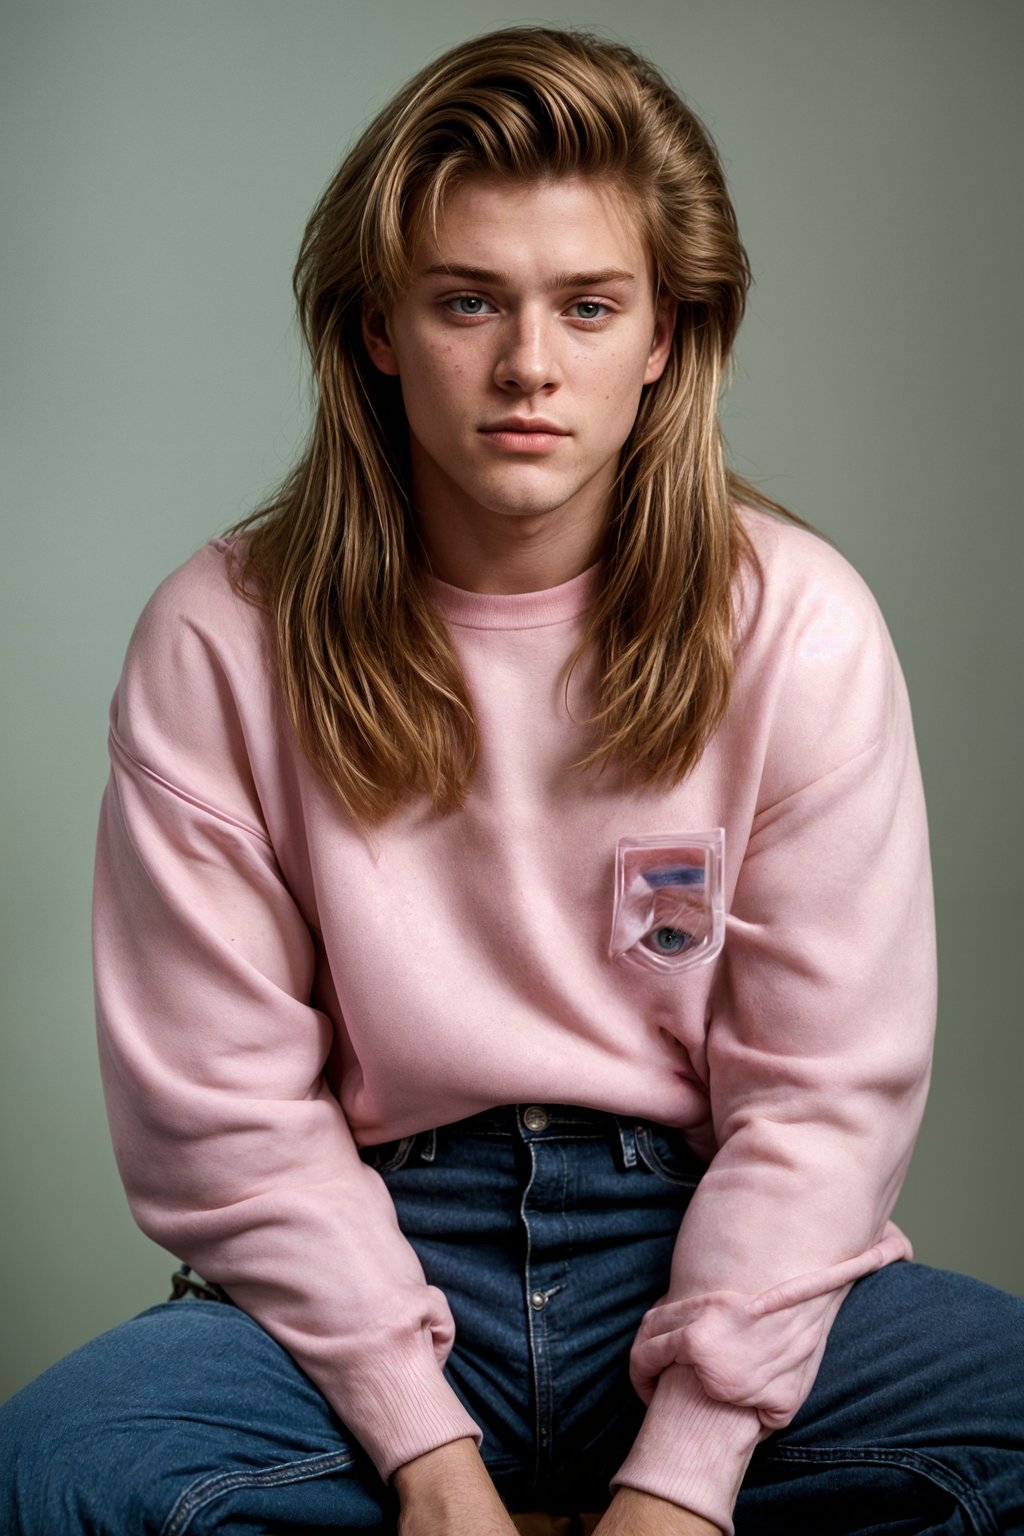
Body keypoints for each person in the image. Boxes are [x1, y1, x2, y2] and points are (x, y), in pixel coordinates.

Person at [1, 24, 1022, 1536]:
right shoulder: (221, 635)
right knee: (60, 1476)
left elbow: (820, 1103)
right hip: (362, 1258)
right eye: (469, 302)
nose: (529, 364)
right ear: (377, 330)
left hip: (698, 1244)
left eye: (588, 306)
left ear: (668, 333)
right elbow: (223, 1107)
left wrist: (682, 1480)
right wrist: (428, 1458)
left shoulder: (797, 623)